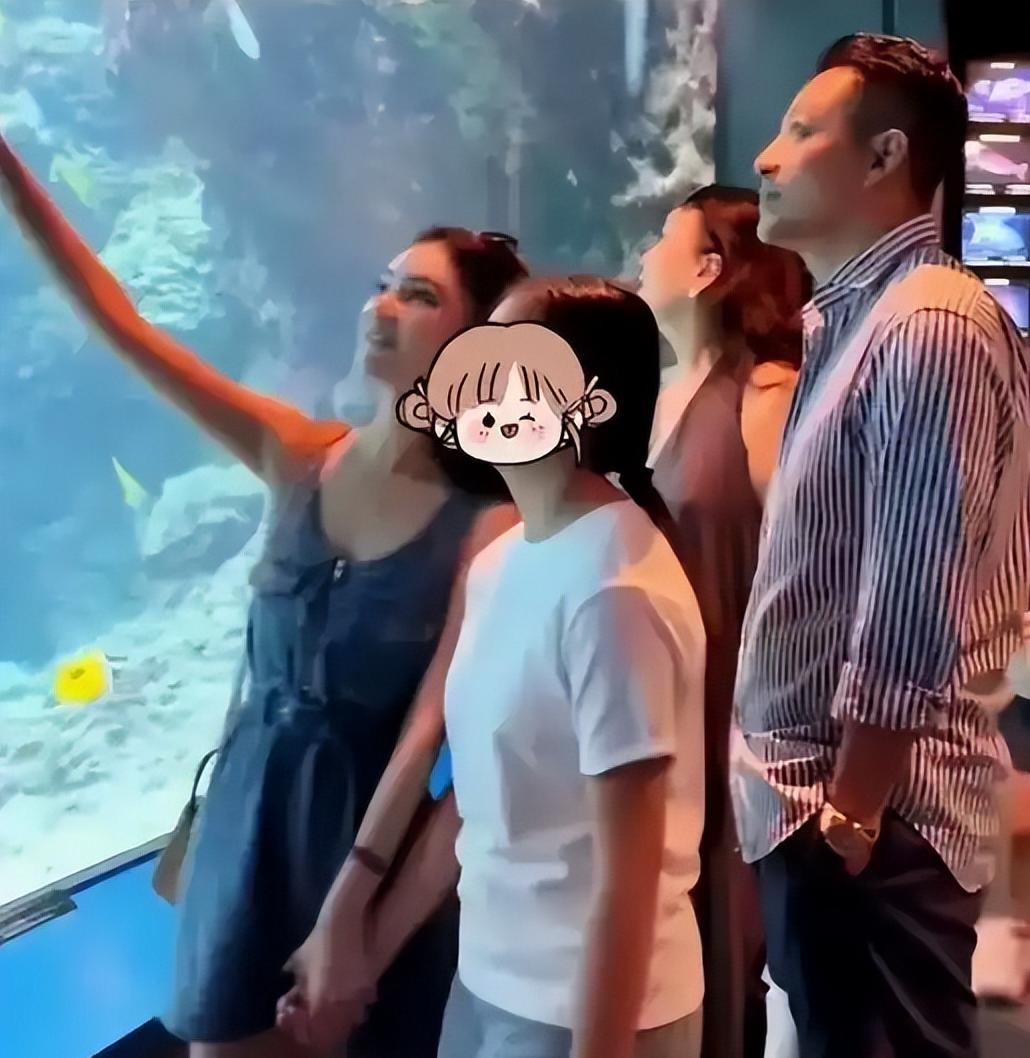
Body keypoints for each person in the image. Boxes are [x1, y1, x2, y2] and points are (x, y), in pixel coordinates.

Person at [0, 132, 528, 1058]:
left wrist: (365, 933)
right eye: (384, 283)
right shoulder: (298, 454)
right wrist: (11, 172)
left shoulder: (488, 525)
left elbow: (453, 759)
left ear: (477, 343)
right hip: (242, 832)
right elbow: (121, 325)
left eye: (420, 296)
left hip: (363, 860)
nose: (383, 306)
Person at [280, 277, 708, 1058]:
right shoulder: (502, 559)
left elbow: (629, 884)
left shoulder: (614, 592)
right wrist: (363, 954)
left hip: (587, 1014)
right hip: (487, 985)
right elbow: (483, 810)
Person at [731, 32, 1030, 1058]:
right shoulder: (858, 318)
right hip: (836, 811)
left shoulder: (926, 325)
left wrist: (850, 817)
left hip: (873, 819)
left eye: (799, 130)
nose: (766, 156)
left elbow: (912, 593)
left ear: (883, 156)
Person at [637, 184, 809, 1058]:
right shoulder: (657, 394)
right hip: (658, 714)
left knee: (730, 958)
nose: (643, 255)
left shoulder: (767, 393)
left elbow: (816, 573)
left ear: (709, 269)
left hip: (737, 724)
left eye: (662, 238)